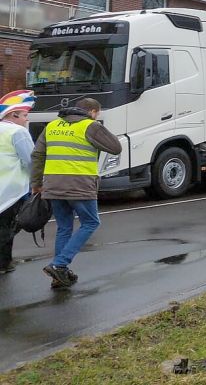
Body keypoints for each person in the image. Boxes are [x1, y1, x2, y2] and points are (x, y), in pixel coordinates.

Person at [31, 98, 122, 288]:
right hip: (79, 185)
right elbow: (115, 147)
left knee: (64, 228)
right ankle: (59, 263)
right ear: (92, 112)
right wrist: (97, 126)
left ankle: (59, 275)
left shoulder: (52, 126)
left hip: (53, 185)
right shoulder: (90, 126)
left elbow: (38, 155)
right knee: (90, 222)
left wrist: (37, 184)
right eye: (98, 113)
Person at [0, 90, 35, 274]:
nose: (26, 120)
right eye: (24, 115)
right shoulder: (18, 132)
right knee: (7, 228)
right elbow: (31, 161)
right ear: (13, 115)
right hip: (12, 190)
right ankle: (3, 263)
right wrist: (38, 182)